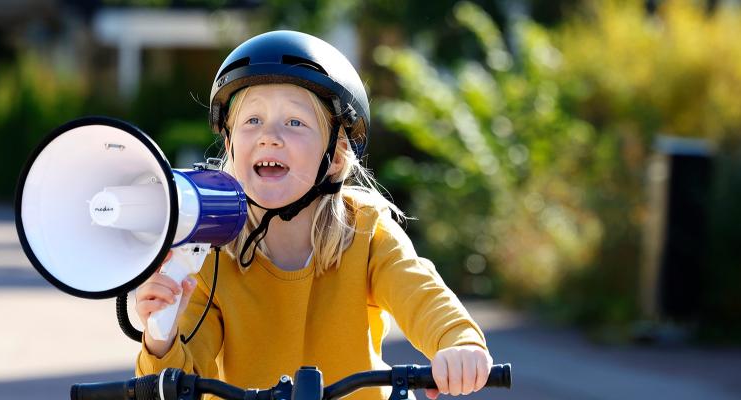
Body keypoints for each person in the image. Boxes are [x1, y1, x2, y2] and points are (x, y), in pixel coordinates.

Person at [134, 31, 492, 399]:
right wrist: (161, 333)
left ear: (336, 155)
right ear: (230, 145)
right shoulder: (208, 253)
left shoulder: (365, 230)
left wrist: (457, 342)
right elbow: (179, 382)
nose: (269, 137)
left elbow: (420, 293)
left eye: (295, 123)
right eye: (252, 120)